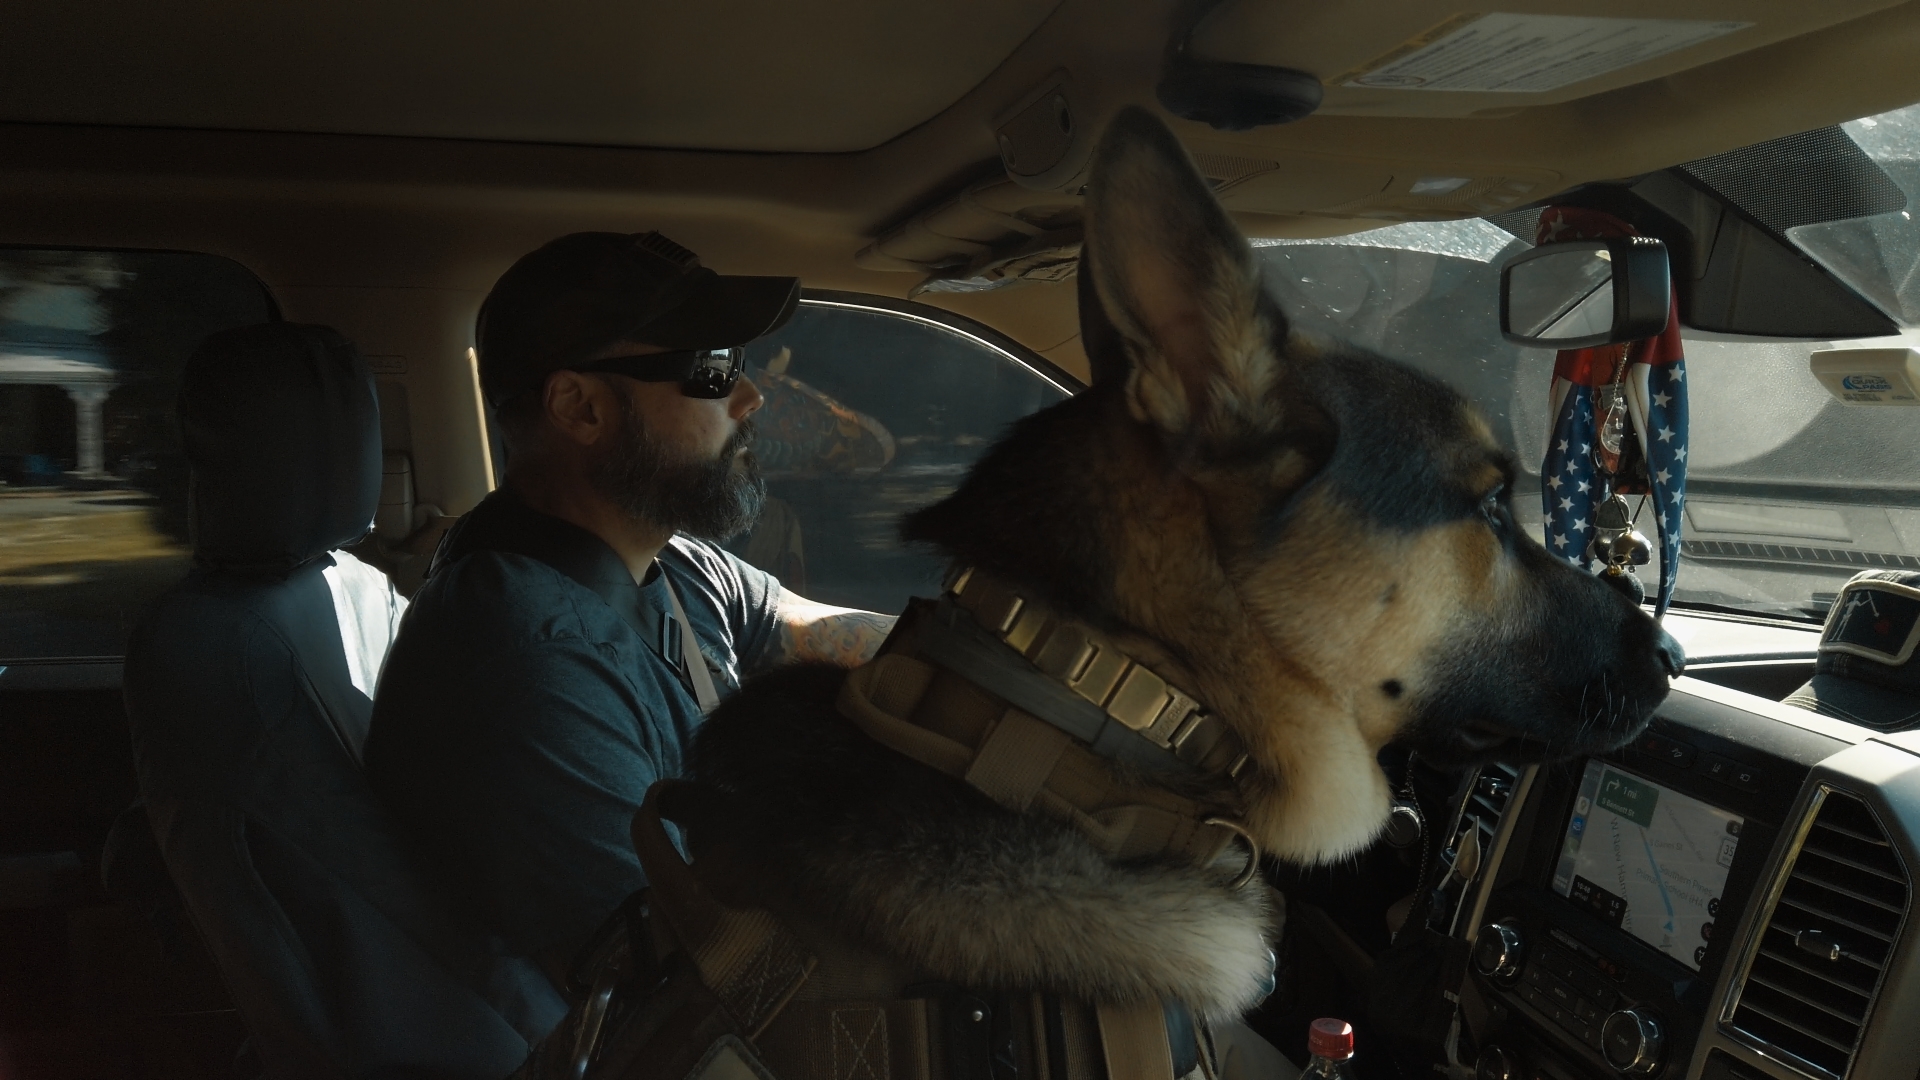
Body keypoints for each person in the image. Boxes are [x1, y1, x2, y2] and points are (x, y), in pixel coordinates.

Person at [364, 231, 896, 1007]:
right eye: (712, 368)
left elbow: (802, 627)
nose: (749, 397)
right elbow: (666, 983)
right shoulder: (527, 663)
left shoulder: (664, 558)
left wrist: (991, 656)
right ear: (581, 407)